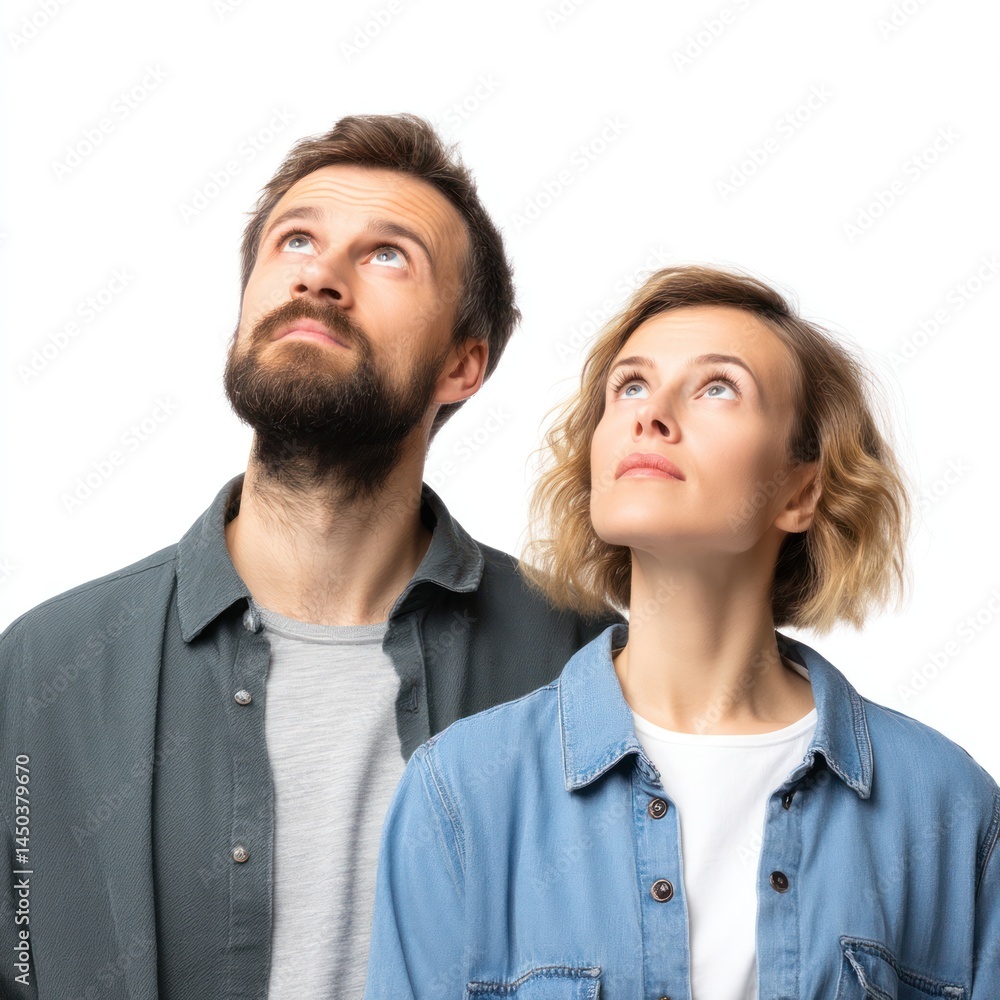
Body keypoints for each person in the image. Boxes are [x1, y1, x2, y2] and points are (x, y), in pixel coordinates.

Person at [0, 114, 616, 999]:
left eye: (388, 255)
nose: (319, 276)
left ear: (463, 364)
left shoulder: (585, 664)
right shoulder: (45, 669)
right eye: (296, 240)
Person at [364, 264, 1000, 998]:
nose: (652, 414)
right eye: (630, 386)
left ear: (801, 491)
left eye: (718, 387)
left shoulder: (947, 808)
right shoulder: (459, 793)